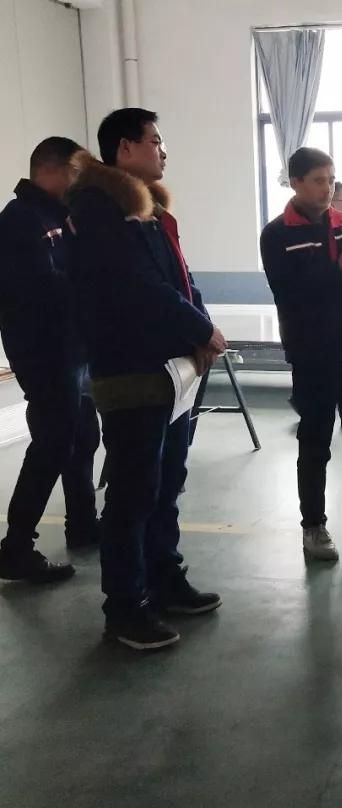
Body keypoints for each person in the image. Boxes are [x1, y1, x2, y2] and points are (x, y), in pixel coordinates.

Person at [67, 108, 224, 650]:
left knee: (166, 481)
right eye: (155, 141)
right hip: (131, 368)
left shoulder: (147, 206)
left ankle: (163, 577)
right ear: (125, 148)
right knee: (133, 492)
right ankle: (125, 607)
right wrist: (200, 328)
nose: (163, 151)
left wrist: (201, 326)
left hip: (170, 369)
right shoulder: (99, 206)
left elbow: (180, 278)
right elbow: (135, 286)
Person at [260, 147, 342, 562]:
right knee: (315, 441)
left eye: (331, 179)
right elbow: (288, 291)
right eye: (319, 180)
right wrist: (338, 269)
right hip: (312, 353)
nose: (327, 188)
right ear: (296, 183)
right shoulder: (277, 234)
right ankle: (313, 526)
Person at [0, 137, 99, 585]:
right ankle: (16, 547)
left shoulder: (60, 216)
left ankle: (83, 524)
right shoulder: (19, 220)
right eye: (77, 174)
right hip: (43, 352)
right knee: (53, 444)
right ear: (53, 170)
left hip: (72, 348)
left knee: (84, 435)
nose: (81, 183)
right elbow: (37, 289)